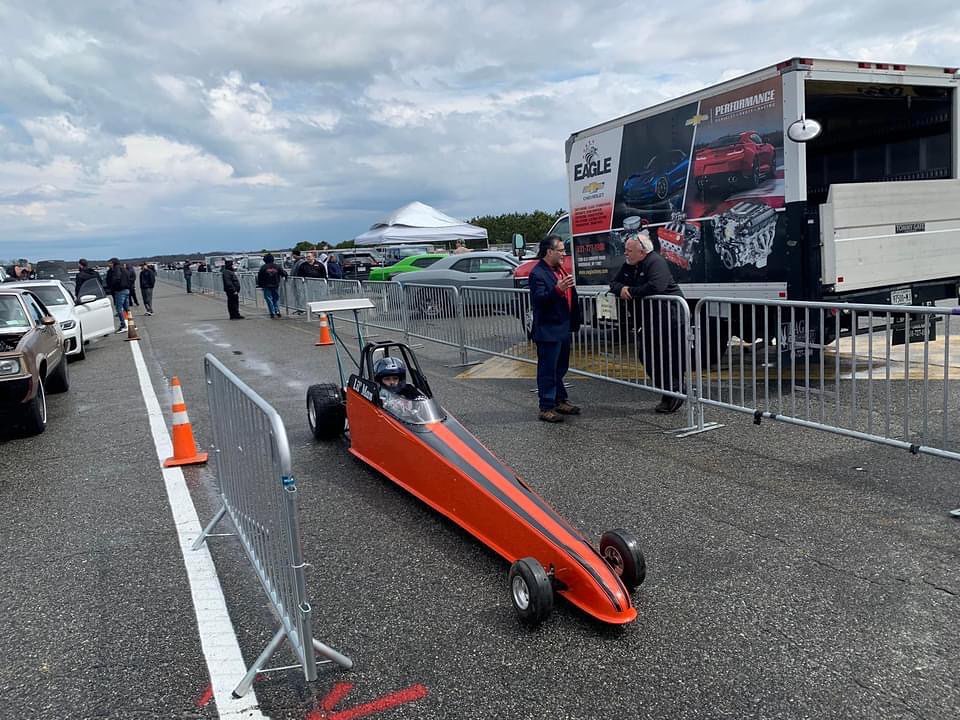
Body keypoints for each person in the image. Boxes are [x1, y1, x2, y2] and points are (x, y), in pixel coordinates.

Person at [609, 224, 686, 413]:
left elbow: (656, 286)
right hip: (649, 319)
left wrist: (630, 292)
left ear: (642, 251)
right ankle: (667, 391)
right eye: (625, 250)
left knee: (668, 358)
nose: (626, 253)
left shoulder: (655, 261)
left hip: (669, 317)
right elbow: (614, 283)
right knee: (647, 356)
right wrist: (622, 289)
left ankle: (675, 392)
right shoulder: (630, 265)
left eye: (629, 250)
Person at [529, 235, 582, 423]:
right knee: (548, 370)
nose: (564, 254)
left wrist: (575, 321)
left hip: (563, 328)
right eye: (560, 250)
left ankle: (560, 400)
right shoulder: (537, 274)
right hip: (548, 330)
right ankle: (546, 407)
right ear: (549, 251)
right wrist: (557, 290)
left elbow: (570, 297)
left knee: (560, 368)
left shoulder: (559, 269)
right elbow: (539, 300)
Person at [105, 257, 132, 332]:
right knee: (127, 308)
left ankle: (123, 325)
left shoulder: (116, 269)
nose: (108, 265)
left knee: (119, 309)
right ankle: (131, 324)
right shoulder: (124, 269)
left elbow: (116, 278)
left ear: (113, 263)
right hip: (127, 290)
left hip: (120, 291)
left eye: (110, 263)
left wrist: (111, 287)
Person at [256, 253, 287, 318]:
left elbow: (259, 277)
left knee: (269, 299)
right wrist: (285, 276)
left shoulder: (263, 267)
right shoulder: (277, 266)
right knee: (276, 299)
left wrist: (260, 285)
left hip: (266, 286)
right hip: (275, 285)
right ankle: (277, 311)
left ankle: (272, 312)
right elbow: (283, 273)